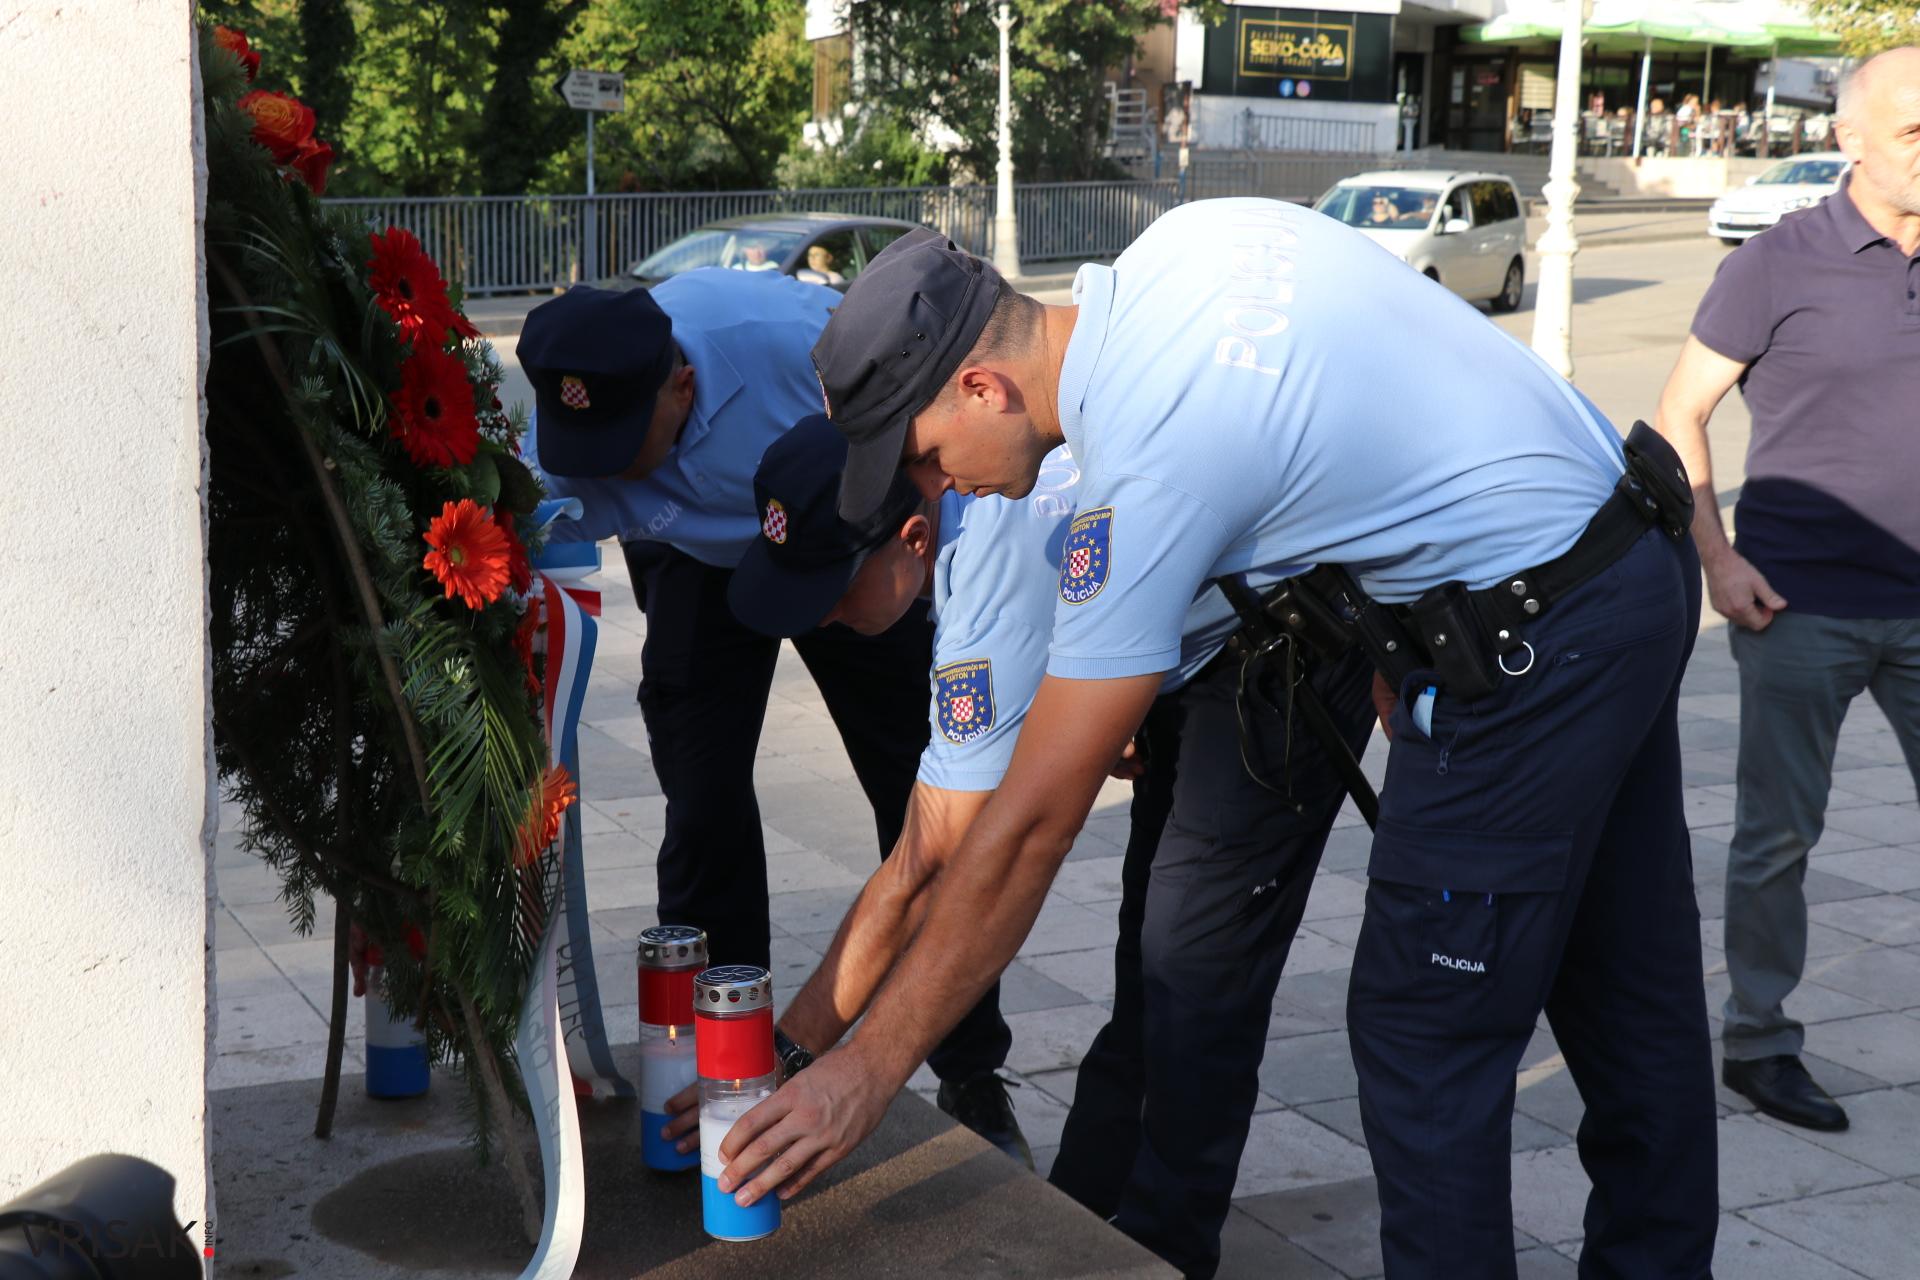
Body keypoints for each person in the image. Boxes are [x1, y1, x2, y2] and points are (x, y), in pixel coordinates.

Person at [707, 205, 1718, 1276]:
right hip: (1625, 555)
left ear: (981, 389)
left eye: (919, 459)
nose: (932, 489)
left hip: (1533, 642)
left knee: (1425, 1039)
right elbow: (1358, 402)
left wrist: (866, 1070)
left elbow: (1031, 824)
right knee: (1629, 996)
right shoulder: (1180, 247)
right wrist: (1400, 602)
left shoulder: (1143, 462)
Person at [664, 413, 1374, 1275]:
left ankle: (1153, 1255)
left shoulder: (992, 584)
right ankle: (1081, 1225)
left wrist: (810, 1061)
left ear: (913, 540)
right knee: (1153, 966)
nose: (821, 624)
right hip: (1197, 644)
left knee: (1192, 984)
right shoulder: (962, 503)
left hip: (1286, 641)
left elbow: (933, 867)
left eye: (832, 595)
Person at [515, 273, 1018, 1149]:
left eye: (626, 448)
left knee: (922, 797)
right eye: (581, 446)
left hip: (840, 543)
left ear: (683, 386)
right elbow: (519, 549)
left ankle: (971, 1071)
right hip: (693, 566)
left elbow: (927, 454)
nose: (599, 470)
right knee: (703, 807)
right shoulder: (573, 431)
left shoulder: (793, 347)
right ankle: (728, 1066)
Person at [1651, 47, 1920, 1134]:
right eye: (1913, 130)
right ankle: (1758, 1042)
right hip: (1798, 603)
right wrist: (1718, 558)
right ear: (1848, 139)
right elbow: (1676, 415)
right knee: (1778, 838)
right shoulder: (1778, 261)